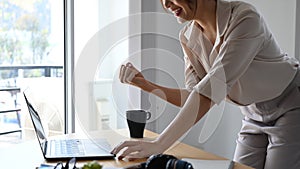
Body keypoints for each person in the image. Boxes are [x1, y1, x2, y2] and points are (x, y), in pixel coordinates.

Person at [111, 0, 300, 169]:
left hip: (290, 104)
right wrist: (146, 85)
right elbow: (193, 96)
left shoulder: (245, 18)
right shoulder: (188, 35)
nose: (166, 4)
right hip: (251, 114)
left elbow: (209, 91)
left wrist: (159, 144)